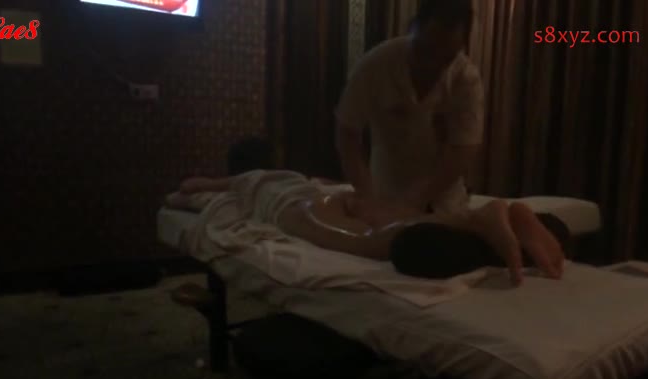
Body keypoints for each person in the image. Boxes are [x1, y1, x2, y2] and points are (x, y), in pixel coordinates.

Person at [169, 171, 566, 285]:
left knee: (363, 241)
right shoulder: (294, 174)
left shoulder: (248, 179)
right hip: (333, 193)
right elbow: (329, 184)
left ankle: (482, 217)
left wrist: (205, 186)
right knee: (403, 222)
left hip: (297, 209)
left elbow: (186, 190)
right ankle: (479, 220)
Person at [335, 0, 483, 218]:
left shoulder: (465, 79)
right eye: (427, 51)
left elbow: (464, 149)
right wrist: (366, 193)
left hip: (444, 200)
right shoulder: (376, 65)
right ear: (413, 28)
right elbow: (347, 131)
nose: (433, 64)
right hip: (384, 192)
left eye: (447, 57)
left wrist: (419, 196)